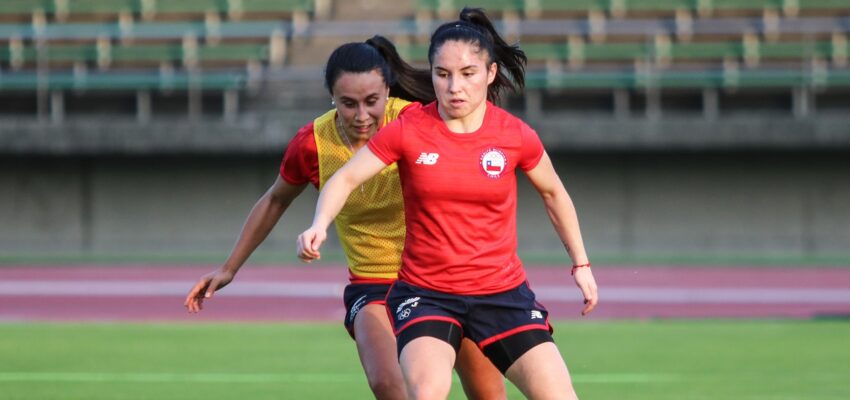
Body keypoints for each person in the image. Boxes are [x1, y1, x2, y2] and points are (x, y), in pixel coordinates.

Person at [297, 8, 599, 400]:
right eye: (442, 74)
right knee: (426, 393)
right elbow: (346, 177)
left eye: (468, 74)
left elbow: (554, 192)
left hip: (502, 295)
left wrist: (581, 263)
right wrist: (320, 222)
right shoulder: (408, 129)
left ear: (490, 74)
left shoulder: (514, 135)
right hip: (427, 295)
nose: (454, 86)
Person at [184, 36, 507, 400]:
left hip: (446, 278)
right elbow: (275, 200)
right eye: (348, 104)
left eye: (372, 102)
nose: (362, 116)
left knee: (487, 393)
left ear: (388, 90)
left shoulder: (417, 122)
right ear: (331, 97)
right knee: (390, 384)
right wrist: (229, 268)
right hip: (374, 282)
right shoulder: (313, 144)